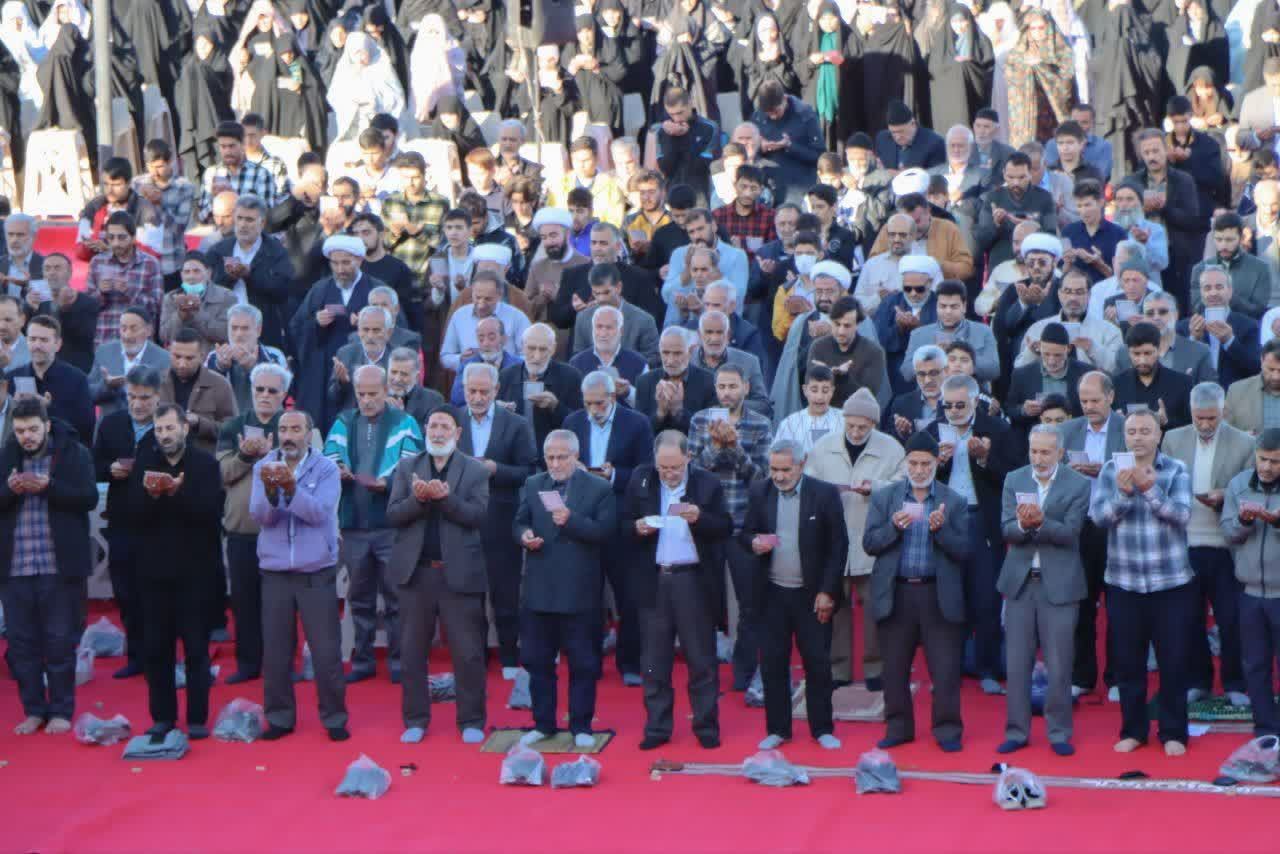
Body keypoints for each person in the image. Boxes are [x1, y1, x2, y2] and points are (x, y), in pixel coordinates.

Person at [1089, 409, 1195, 756]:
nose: (1137, 437)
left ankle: (1173, 732)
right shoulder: (1109, 471)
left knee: (1174, 661)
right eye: (1132, 431)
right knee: (1128, 662)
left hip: (1171, 583)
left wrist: (1149, 491)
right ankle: (1133, 730)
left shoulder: (1176, 469)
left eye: (1144, 431)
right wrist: (1123, 496)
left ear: (1158, 435)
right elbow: (1098, 518)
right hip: (1124, 582)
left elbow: (1182, 515)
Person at [387, 406, 490, 744]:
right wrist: (418, 501)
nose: (438, 432)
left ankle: (471, 719)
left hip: (458, 574)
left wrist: (445, 500)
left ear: (458, 433)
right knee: (412, 651)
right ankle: (415, 719)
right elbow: (393, 515)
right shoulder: (406, 467)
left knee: (468, 652)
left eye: (445, 426)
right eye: (432, 426)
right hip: (416, 574)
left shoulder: (474, 470)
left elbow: (477, 515)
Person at [863, 431, 971, 751]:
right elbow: (870, 544)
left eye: (926, 463)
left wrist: (942, 531)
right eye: (914, 463)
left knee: (946, 669)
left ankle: (948, 730)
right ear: (904, 463)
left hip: (937, 594)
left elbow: (964, 550)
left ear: (937, 463)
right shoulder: (886, 498)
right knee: (894, 668)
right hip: (896, 593)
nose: (920, 469)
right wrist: (893, 528)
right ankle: (898, 728)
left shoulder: (954, 501)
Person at [625, 429, 731, 749]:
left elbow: (725, 527)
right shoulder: (641, 481)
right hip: (654, 579)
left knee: (701, 658)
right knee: (654, 662)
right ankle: (657, 728)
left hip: (693, 580)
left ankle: (706, 727)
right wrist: (636, 528)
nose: (669, 474)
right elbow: (621, 525)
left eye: (675, 467)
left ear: (689, 458)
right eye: (663, 467)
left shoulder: (707, 484)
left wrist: (700, 518)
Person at [250, 409, 350, 742]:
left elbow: (319, 513)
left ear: (309, 433)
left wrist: (291, 491)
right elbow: (261, 517)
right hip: (275, 572)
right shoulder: (262, 467)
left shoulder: (325, 469)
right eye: (283, 429)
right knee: (277, 651)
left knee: (325, 652)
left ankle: (334, 718)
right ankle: (279, 717)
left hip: (315, 570)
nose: (289, 435)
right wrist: (270, 491)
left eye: (296, 428)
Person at [742, 439, 847, 750]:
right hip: (771, 592)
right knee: (773, 662)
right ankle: (778, 729)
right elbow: (744, 533)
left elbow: (838, 547)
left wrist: (827, 591)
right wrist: (753, 543)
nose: (779, 476)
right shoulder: (759, 491)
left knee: (817, 662)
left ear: (801, 465)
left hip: (811, 594)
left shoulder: (824, 494)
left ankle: (822, 728)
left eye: (785, 470)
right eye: (774, 469)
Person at [514, 429, 616, 749]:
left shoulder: (599, 489)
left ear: (576, 457)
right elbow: (518, 522)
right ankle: (543, 723)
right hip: (539, 590)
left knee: (584, 663)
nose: (555, 464)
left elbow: (605, 533)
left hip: (579, 592)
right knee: (537, 661)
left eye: (562, 457)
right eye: (550, 458)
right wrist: (525, 535)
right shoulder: (533, 485)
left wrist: (571, 521)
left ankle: (581, 724)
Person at [127, 403, 224, 740]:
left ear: (185, 427)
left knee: (196, 649)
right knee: (156, 649)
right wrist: (154, 496)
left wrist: (176, 493)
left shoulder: (205, 465)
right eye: (159, 430)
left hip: (195, 574)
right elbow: (131, 514)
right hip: (153, 575)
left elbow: (210, 514)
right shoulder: (145, 463)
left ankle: (197, 718)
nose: (165, 435)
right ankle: (163, 717)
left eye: (170, 428)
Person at [0, 397, 95, 736]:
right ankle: (33, 710)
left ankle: (61, 710)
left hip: (58, 565)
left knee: (59, 642)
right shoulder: (5, 456)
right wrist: (10, 491)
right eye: (21, 430)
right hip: (14, 567)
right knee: (22, 645)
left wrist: (49, 487)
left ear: (47, 425)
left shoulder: (73, 453)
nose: (26, 436)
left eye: (32, 429)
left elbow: (88, 498)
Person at [323, 364, 423, 683]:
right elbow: (329, 456)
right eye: (361, 394)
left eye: (372, 394)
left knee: (396, 598)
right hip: (353, 524)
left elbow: (414, 466)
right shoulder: (343, 421)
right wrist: (336, 469)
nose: (366, 400)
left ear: (386, 391)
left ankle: (398, 662)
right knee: (360, 598)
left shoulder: (405, 423)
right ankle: (364, 661)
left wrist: (390, 482)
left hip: (390, 526)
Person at [997, 424, 1092, 756]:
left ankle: (1059, 732)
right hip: (1020, 583)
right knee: (1017, 663)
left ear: (1060, 453)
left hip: (1061, 585)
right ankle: (1017, 731)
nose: (1038, 458)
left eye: (1045, 452)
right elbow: (1006, 529)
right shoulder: (1014, 479)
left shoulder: (1078, 484)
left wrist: (1040, 523)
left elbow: (1072, 533)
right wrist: (1024, 525)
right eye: (1034, 451)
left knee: (1060, 663)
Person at [805, 389, 906, 690]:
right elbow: (809, 484)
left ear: (874, 424)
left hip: (872, 541)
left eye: (863, 427)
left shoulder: (891, 448)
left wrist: (876, 488)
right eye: (851, 425)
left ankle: (875, 669)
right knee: (836, 611)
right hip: (834, 541)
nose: (856, 432)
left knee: (875, 610)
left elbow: (903, 485)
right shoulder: (823, 447)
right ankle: (839, 669)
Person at [1162, 383, 1255, 706]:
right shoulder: (1173, 439)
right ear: (1190, 412)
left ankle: (1234, 683)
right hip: (1185, 542)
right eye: (1199, 418)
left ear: (1223, 412)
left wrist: (1224, 496)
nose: (1205, 425)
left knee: (1231, 619)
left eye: (1211, 418)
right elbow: (1165, 485)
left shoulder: (1244, 443)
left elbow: (1249, 489)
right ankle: (1197, 681)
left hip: (1227, 545)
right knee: (1189, 619)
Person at [563, 371, 655, 683]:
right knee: (584, 595)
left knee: (628, 596)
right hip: (584, 521)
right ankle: (587, 662)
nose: (593, 409)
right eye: (588, 403)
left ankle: (630, 664)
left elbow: (646, 473)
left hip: (620, 521)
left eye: (599, 403)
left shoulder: (637, 423)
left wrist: (614, 476)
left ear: (613, 398)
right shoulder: (572, 423)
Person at [687, 362, 773, 689]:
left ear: (746, 388)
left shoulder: (760, 424)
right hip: (706, 526)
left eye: (732, 387)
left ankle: (744, 670)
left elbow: (763, 479)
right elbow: (691, 472)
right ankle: (706, 672)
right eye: (721, 387)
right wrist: (715, 446)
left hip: (743, 525)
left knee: (750, 604)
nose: (726, 393)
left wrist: (734, 448)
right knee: (706, 602)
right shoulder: (700, 420)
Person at [456, 362, 537, 676]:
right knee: (467, 596)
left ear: (496, 391)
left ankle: (508, 656)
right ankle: (473, 659)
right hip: (461, 522)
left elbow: (529, 471)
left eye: (483, 391)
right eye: (471, 391)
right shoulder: (454, 420)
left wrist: (494, 469)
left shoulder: (514, 424)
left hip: (502, 521)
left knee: (505, 594)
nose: (477, 397)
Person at [216, 362, 294, 684]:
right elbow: (221, 474)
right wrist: (246, 456)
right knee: (244, 603)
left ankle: (284, 665)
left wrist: (275, 458)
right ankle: (248, 664)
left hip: (284, 530)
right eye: (259, 389)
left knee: (283, 606)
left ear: (284, 395)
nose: (264, 395)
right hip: (242, 530)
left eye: (272, 390)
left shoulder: (296, 425)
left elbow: (308, 469)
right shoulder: (233, 425)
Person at [1221, 428, 1280, 735]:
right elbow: (1228, 533)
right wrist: (1244, 522)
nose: (1267, 467)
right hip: (1250, 593)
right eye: (1262, 459)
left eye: (1275, 461)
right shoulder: (1238, 484)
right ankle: (1266, 733)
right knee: (1255, 667)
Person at [289, 234, 381, 432]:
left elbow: (394, 326)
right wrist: (316, 323)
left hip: (362, 365)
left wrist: (366, 326)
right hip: (322, 370)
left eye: (346, 263)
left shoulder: (376, 290)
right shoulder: (320, 290)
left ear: (360, 260)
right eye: (335, 263)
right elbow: (296, 327)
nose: (340, 269)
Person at [206, 194, 296, 351]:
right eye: (239, 218)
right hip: (224, 329)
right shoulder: (219, 250)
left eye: (249, 220)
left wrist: (249, 275)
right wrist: (230, 276)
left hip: (263, 332)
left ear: (262, 223)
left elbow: (283, 289)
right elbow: (209, 288)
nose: (243, 225)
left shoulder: (275, 251)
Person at [7, 314, 94, 445]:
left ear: (57, 344)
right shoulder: (11, 378)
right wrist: (13, 406)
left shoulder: (77, 380)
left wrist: (48, 409)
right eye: (32, 339)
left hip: (62, 455)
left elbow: (85, 429)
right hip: (21, 455)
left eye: (44, 340)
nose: (37, 345)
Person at [83, 211, 165, 350]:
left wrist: (130, 291)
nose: (116, 243)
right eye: (111, 237)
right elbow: (87, 307)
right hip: (105, 340)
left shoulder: (150, 264)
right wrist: (101, 293)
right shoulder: (97, 262)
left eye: (121, 237)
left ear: (133, 237)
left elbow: (157, 308)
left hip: (139, 344)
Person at [497, 323, 583, 450]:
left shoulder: (571, 377)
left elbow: (581, 424)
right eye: (531, 348)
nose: (536, 356)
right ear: (522, 346)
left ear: (553, 349)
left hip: (554, 456)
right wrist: (499, 410)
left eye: (543, 349)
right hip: (515, 456)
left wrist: (555, 406)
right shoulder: (506, 376)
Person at [900, 281, 999, 386]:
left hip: (972, 396)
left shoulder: (983, 331)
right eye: (943, 306)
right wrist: (930, 354)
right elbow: (906, 373)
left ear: (964, 306)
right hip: (932, 396)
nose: (948, 311)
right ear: (936, 306)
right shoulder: (919, 334)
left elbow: (994, 371)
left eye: (954, 307)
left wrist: (964, 354)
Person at [1180, 265, 1262, 392]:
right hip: (1196, 397)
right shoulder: (1184, 327)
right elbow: (1178, 370)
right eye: (1207, 288)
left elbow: (1256, 368)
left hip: (1234, 398)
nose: (1213, 293)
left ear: (1230, 291)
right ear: (1201, 293)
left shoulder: (1249, 325)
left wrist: (1230, 341)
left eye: (1219, 287)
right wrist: (1194, 340)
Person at [159, 328, 238, 455]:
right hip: (162, 460)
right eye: (177, 356)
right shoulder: (157, 383)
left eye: (189, 358)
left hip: (203, 462)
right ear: (169, 352)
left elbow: (233, 430)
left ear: (202, 356)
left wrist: (200, 423)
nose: (182, 364)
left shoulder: (219, 385)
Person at [749, 80, 824, 205]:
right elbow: (747, 151)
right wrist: (760, 147)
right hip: (769, 185)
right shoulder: (758, 116)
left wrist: (790, 146)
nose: (773, 117)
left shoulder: (805, 115)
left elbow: (820, 156)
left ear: (784, 99)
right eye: (769, 114)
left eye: (776, 112)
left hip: (798, 186)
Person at [204, 305, 289, 413]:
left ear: (258, 330)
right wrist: (220, 368)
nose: (238, 334)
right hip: (227, 423)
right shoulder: (214, 356)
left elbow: (284, 392)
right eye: (234, 328)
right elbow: (205, 395)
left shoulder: (274, 355)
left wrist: (253, 368)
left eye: (245, 328)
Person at [1113, 322, 1196, 432]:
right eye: (1136, 354)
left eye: (1147, 353)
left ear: (1158, 350)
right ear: (1128, 353)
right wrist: (1118, 423)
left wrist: (1166, 422)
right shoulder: (1117, 384)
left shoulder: (1183, 383)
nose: (1142, 360)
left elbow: (1192, 429)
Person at [24, 253, 98, 375]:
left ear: (69, 272)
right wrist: (28, 308)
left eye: (57, 268)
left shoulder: (87, 302)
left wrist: (65, 310)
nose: (52, 272)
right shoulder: (37, 300)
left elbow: (84, 337)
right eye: (47, 268)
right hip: (40, 368)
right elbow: (23, 333)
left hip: (74, 370)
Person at [197, 121, 279, 222]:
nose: (227, 151)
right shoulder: (211, 174)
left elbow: (265, 216)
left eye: (232, 146)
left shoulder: (261, 174)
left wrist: (231, 196)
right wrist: (216, 200)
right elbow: (202, 218)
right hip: (220, 233)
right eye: (223, 146)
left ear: (243, 145)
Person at [159, 252, 236, 349]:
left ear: (208, 273)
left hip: (212, 357)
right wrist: (180, 315)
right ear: (181, 275)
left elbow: (225, 333)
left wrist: (197, 312)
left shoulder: (226, 296)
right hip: (181, 357)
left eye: (196, 271)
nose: (191, 277)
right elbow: (164, 336)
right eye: (187, 272)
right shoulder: (171, 298)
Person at [330, 306, 394, 416]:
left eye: (376, 330)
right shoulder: (346, 354)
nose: (370, 336)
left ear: (389, 332)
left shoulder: (397, 358)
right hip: (353, 421)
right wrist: (342, 383)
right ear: (358, 331)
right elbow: (333, 397)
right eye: (365, 329)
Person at [1225, 339, 1280, 435]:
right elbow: (1224, 434)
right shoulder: (1236, 392)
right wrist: (1243, 439)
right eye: (1271, 369)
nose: (1276, 377)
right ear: (1261, 361)